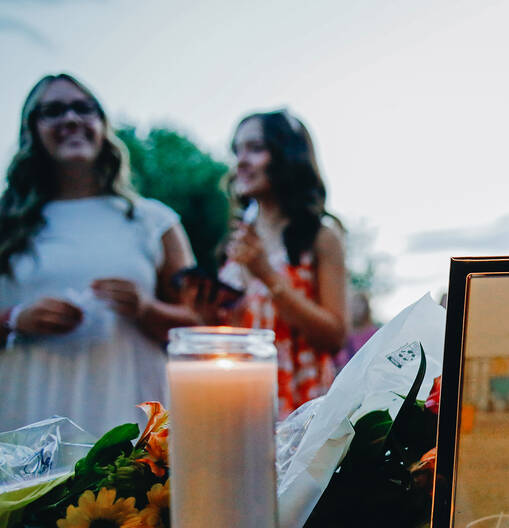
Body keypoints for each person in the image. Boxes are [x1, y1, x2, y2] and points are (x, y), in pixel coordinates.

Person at [0, 74, 200, 435]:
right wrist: (15, 319)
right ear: (31, 129)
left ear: (102, 126)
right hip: (24, 419)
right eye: (53, 111)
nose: (71, 119)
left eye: (84, 108)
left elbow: (199, 324)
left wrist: (145, 308)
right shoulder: (5, 225)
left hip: (127, 416)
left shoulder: (154, 220)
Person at [187, 110, 347, 417]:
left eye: (255, 149)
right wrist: (207, 317)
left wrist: (266, 274)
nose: (241, 162)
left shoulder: (320, 235)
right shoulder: (235, 240)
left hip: (300, 402)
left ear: (288, 155)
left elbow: (335, 336)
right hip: (240, 400)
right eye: (237, 151)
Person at [334, 289, 380, 371]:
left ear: (366, 308)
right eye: (353, 304)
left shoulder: (375, 334)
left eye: (359, 304)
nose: (356, 308)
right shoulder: (343, 334)